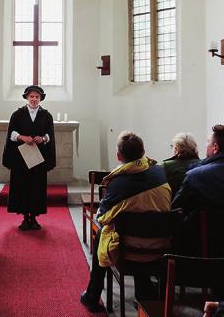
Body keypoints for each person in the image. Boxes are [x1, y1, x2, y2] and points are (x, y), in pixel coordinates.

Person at [80, 131, 171, 313]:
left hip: (129, 251)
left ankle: (92, 295)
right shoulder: (160, 173)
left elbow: (101, 216)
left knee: (102, 235)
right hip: (162, 248)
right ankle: (145, 290)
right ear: (143, 151)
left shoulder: (119, 183)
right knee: (141, 228)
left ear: (119, 156)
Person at [2, 85, 56, 230]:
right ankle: (25, 218)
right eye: (31, 96)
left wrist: (43, 138)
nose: (34, 99)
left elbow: (49, 135)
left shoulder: (47, 115)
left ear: (40, 99)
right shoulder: (17, 114)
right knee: (22, 186)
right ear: (26, 97)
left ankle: (34, 218)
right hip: (21, 158)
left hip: (38, 158)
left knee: (36, 187)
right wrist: (22, 137)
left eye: (37, 97)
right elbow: (11, 134)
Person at [173, 124, 224, 215]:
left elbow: (176, 208)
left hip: (208, 228)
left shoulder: (195, 176)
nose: (205, 145)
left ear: (215, 148)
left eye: (208, 142)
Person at [162, 132, 200, 197]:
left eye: (172, 146)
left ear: (176, 149)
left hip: (173, 204)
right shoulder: (203, 165)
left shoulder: (166, 166)